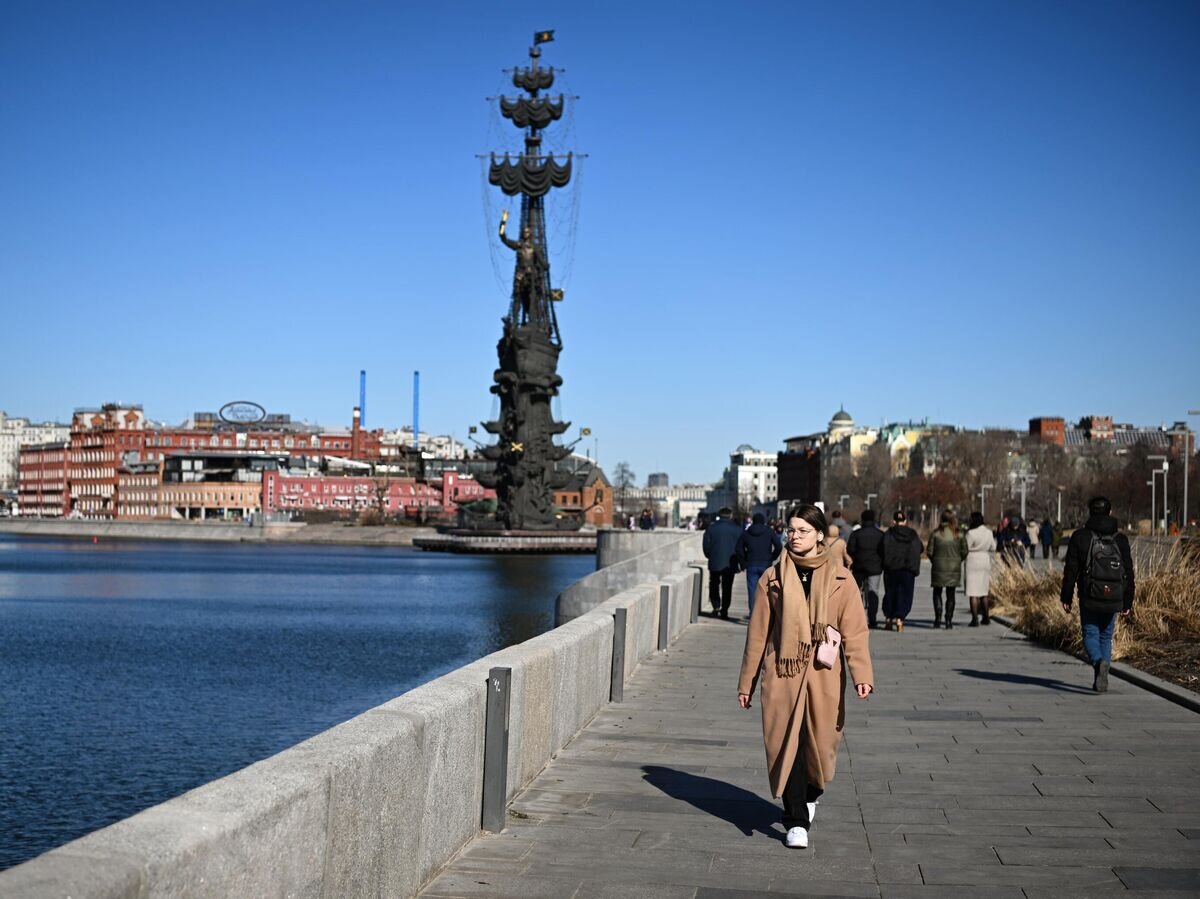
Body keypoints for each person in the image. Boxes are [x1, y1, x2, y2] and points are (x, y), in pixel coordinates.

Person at [737, 504, 874, 850]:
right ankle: (795, 819)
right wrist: (747, 683)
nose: (794, 536)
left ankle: (811, 792)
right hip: (784, 672)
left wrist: (861, 673)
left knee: (823, 743)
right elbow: (758, 633)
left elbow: (855, 630)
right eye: (791, 530)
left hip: (823, 674)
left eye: (802, 531)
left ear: (818, 535)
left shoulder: (841, 577)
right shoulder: (773, 577)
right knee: (788, 741)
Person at [1060, 496, 1135, 692]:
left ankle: (1098, 662)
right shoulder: (1121, 539)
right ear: (1110, 513)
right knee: (1106, 635)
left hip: (1089, 595)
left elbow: (1071, 570)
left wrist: (1066, 596)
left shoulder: (1080, 537)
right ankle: (1102, 672)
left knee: (1090, 633)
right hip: (1114, 597)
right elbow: (1128, 572)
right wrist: (1128, 602)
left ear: (1090, 512)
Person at [880, 510, 923, 631]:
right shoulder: (912, 534)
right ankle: (900, 619)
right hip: (907, 570)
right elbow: (919, 548)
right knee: (905, 594)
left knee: (890, 593)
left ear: (894, 521)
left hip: (891, 569)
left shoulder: (888, 534)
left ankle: (888, 618)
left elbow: (881, 548)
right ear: (905, 521)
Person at [735, 512, 782, 617]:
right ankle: (766, 614)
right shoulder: (769, 532)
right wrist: (772, 557)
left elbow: (738, 548)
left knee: (752, 590)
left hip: (751, 564)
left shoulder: (747, 533)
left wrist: (744, 561)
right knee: (767, 590)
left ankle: (753, 615)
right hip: (766, 564)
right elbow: (778, 546)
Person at [927, 512, 967, 628]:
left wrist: (935, 560)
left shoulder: (935, 534)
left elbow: (929, 551)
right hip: (954, 567)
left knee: (937, 592)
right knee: (951, 594)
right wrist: (958, 560)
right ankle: (948, 620)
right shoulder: (958, 534)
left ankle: (938, 619)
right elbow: (965, 551)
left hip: (938, 566)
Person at [847, 509, 885, 628]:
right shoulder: (880, 534)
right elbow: (883, 550)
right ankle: (872, 619)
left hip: (859, 567)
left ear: (862, 519)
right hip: (875, 567)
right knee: (873, 591)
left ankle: (858, 619)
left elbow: (850, 549)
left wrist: (857, 557)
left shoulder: (856, 534)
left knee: (857, 593)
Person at [702, 507, 743, 619]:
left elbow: (706, 546)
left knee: (714, 584)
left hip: (715, 561)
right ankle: (725, 609)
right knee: (727, 587)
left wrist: (710, 555)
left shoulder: (711, 528)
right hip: (731, 563)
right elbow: (741, 547)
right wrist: (740, 561)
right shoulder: (738, 529)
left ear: (719, 515)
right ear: (730, 515)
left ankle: (716, 606)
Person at [965, 511, 996, 626]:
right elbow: (993, 547)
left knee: (973, 592)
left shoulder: (971, 533)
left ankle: (974, 619)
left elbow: (965, 547)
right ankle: (986, 617)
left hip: (973, 560)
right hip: (984, 559)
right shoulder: (989, 532)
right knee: (983, 591)